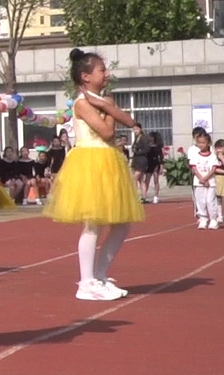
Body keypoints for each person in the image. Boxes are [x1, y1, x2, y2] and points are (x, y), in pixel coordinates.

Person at [42, 50, 143, 298]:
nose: (106, 73)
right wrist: (108, 110)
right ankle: (86, 282)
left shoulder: (102, 100)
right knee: (93, 224)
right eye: (101, 70)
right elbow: (107, 132)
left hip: (108, 162)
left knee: (121, 224)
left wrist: (106, 105)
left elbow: (129, 120)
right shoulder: (82, 103)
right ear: (86, 76)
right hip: (91, 162)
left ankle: (100, 275)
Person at [187, 127, 221, 230]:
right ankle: (203, 219)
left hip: (210, 182)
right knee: (200, 201)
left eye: (203, 143)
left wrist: (206, 178)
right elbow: (194, 168)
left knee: (210, 200)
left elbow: (213, 169)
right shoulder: (195, 156)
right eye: (199, 143)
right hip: (198, 182)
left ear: (208, 143)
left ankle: (213, 219)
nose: (201, 145)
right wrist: (201, 179)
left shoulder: (212, 156)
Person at [135, 129, 166, 203]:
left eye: (151, 137)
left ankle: (156, 196)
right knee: (147, 180)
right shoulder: (147, 146)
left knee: (156, 180)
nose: (149, 138)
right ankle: (144, 195)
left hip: (156, 163)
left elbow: (161, 157)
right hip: (149, 163)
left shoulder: (157, 147)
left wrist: (161, 166)